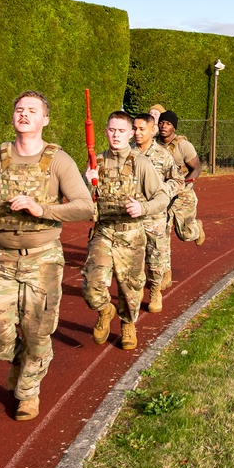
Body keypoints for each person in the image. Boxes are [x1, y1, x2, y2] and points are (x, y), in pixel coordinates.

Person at [0, 91, 94, 422]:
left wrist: (41, 209)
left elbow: (84, 206)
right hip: (1, 258)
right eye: (19, 109)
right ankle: (19, 361)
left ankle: (28, 393)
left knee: (38, 331)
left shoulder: (59, 160)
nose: (24, 114)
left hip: (43, 258)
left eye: (32, 110)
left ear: (44, 120)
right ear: (12, 117)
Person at [82, 111, 170, 351]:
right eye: (112, 130)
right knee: (91, 285)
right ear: (105, 132)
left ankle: (128, 323)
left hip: (131, 234)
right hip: (103, 231)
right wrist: (86, 181)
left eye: (121, 131)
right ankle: (104, 310)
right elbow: (80, 201)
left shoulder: (140, 163)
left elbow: (162, 196)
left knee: (129, 289)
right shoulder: (95, 162)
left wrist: (143, 207)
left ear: (130, 133)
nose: (116, 135)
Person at [132, 113, 184, 313]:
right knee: (132, 258)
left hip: (154, 215)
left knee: (155, 256)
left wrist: (163, 193)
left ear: (152, 130)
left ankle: (154, 290)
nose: (137, 133)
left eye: (141, 129)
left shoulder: (163, 155)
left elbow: (177, 180)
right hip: (131, 214)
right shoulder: (126, 153)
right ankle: (133, 294)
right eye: (134, 129)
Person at [157, 110, 205, 253]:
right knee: (160, 235)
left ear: (174, 128)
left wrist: (186, 182)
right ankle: (164, 272)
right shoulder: (152, 144)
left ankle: (197, 228)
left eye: (168, 123)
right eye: (161, 122)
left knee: (186, 234)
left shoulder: (183, 145)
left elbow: (197, 167)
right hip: (161, 193)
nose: (164, 126)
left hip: (182, 193)